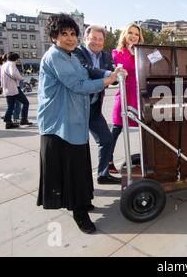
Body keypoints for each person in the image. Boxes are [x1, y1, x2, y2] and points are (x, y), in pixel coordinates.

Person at [36, 14, 125, 234]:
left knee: (80, 166)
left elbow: (86, 72)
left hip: (74, 121)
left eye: (72, 33)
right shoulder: (55, 56)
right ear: (54, 36)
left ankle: (82, 202)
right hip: (59, 124)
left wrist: (109, 73)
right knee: (72, 170)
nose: (69, 38)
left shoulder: (70, 56)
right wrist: (107, 80)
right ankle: (79, 213)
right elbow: (78, 84)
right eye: (63, 34)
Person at [74, 25, 121, 185]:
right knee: (77, 147)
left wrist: (117, 74)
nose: (97, 42)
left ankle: (103, 174)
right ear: (85, 39)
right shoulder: (76, 52)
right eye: (93, 38)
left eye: (100, 39)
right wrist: (110, 74)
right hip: (76, 108)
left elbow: (107, 82)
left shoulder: (106, 57)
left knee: (106, 139)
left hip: (93, 108)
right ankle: (78, 183)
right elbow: (86, 70)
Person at [109, 23, 144, 172]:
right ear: (125, 34)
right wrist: (131, 52)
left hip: (141, 95)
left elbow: (159, 62)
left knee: (145, 128)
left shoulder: (143, 52)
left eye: (137, 34)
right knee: (116, 128)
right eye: (130, 33)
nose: (133, 36)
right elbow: (123, 70)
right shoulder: (117, 52)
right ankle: (108, 161)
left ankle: (146, 159)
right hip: (124, 94)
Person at [0, 52, 33, 129]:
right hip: (14, 88)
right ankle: (23, 119)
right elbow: (13, 73)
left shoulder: (4, 65)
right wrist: (22, 78)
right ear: (15, 58)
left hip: (7, 88)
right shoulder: (12, 64)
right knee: (26, 103)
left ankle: (8, 122)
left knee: (10, 106)